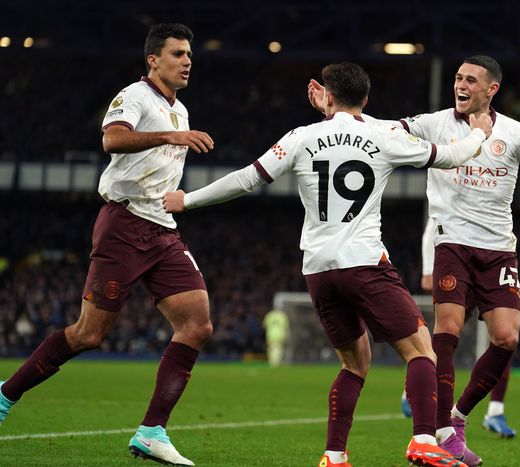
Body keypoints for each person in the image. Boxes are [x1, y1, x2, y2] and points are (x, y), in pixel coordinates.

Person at [308, 55, 520, 466]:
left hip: (499, 249)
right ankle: (441, 433)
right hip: (452, 243)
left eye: (470, 80)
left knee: (506, 339)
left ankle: (458, 417)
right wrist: (334, 111)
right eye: (457, 78)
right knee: (447, 328)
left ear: (491, 89)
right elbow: (377, 128)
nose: (460, 86)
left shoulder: (516, 133)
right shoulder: (435, 123)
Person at [163, 62, 493, 467]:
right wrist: (479, 132)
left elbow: (247, 178)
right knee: (421, 349)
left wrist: (188, 199)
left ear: (328, 97)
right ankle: (424, 439)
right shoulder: (384, 135)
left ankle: (334, 454)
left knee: (354, 362)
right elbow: (453, 156)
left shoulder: (300, 137)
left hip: (318, 270)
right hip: (364, 262)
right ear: (366, 99)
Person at [0, 23, 215, 466]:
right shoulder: (135, 96)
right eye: (178, 54)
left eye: (189, 54)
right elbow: (112, 139)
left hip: (163, 229)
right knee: (89, 334)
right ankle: (5, 395)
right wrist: (169, 136)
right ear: (153, 59)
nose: (187, 61)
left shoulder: (181, 109)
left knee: (197, 324)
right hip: (124, 224)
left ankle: (152, 432)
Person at [421, 217, 516, 439]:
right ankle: (421, 392)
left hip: (493, 254)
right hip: (458, 253)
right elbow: (433, 224)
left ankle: (494, 410)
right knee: (447, 331)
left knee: (505, 336)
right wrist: (427, 268)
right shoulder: (452, 203)